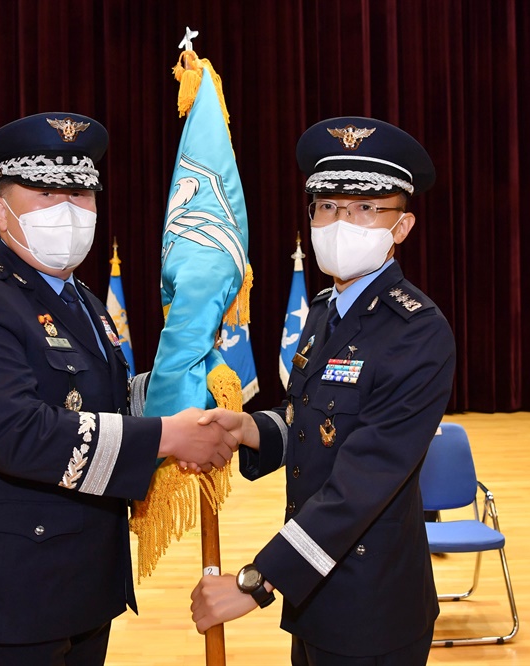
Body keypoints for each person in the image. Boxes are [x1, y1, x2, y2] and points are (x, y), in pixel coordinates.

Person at [0, 112, 238, 665]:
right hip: (8, 596)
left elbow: (99, 401)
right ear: (2, 211)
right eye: (46, 193)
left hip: (85, 585)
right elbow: (19, 434)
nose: (69, 210)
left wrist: (182, 383)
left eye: (82, 195)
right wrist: (168, 435)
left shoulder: (84, 301)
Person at [190, 116, 456, 665]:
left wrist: (256, 582)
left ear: (401, 227)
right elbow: (310, 419)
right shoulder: (323, 312)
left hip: (372, 604)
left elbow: (364, 479)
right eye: (328, 207)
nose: (342, 222)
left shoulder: (417, 331)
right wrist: (250, 428)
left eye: (365, 208)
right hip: (315, 595)